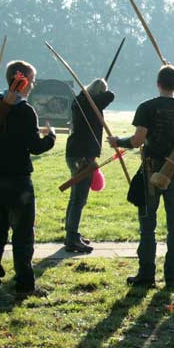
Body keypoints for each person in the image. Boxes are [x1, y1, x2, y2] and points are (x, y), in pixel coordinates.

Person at [0, 61, 56, 298]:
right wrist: (50, 138)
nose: (32, 85)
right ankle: (24, 283)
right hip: (19, 179)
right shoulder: (24, 110)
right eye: (30, 80)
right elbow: (35, 147)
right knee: (22, 234)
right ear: (20, 81)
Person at [108, 65, 174, 287]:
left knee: (147, 224)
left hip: (153, 169)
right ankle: (172, 275)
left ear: (158, 84)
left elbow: (137, 140)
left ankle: (146, 274)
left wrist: (118, 142)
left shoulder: (147, 107)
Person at [63, 78, 115, 253]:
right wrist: (100, 91)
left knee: (76, 196)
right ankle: (72, 237)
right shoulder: (89, 104)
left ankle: (71, 234)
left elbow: (103, 98)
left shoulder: (81, 101)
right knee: (79, 198)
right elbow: (110, 96)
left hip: (76, 152)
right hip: (82, 155)